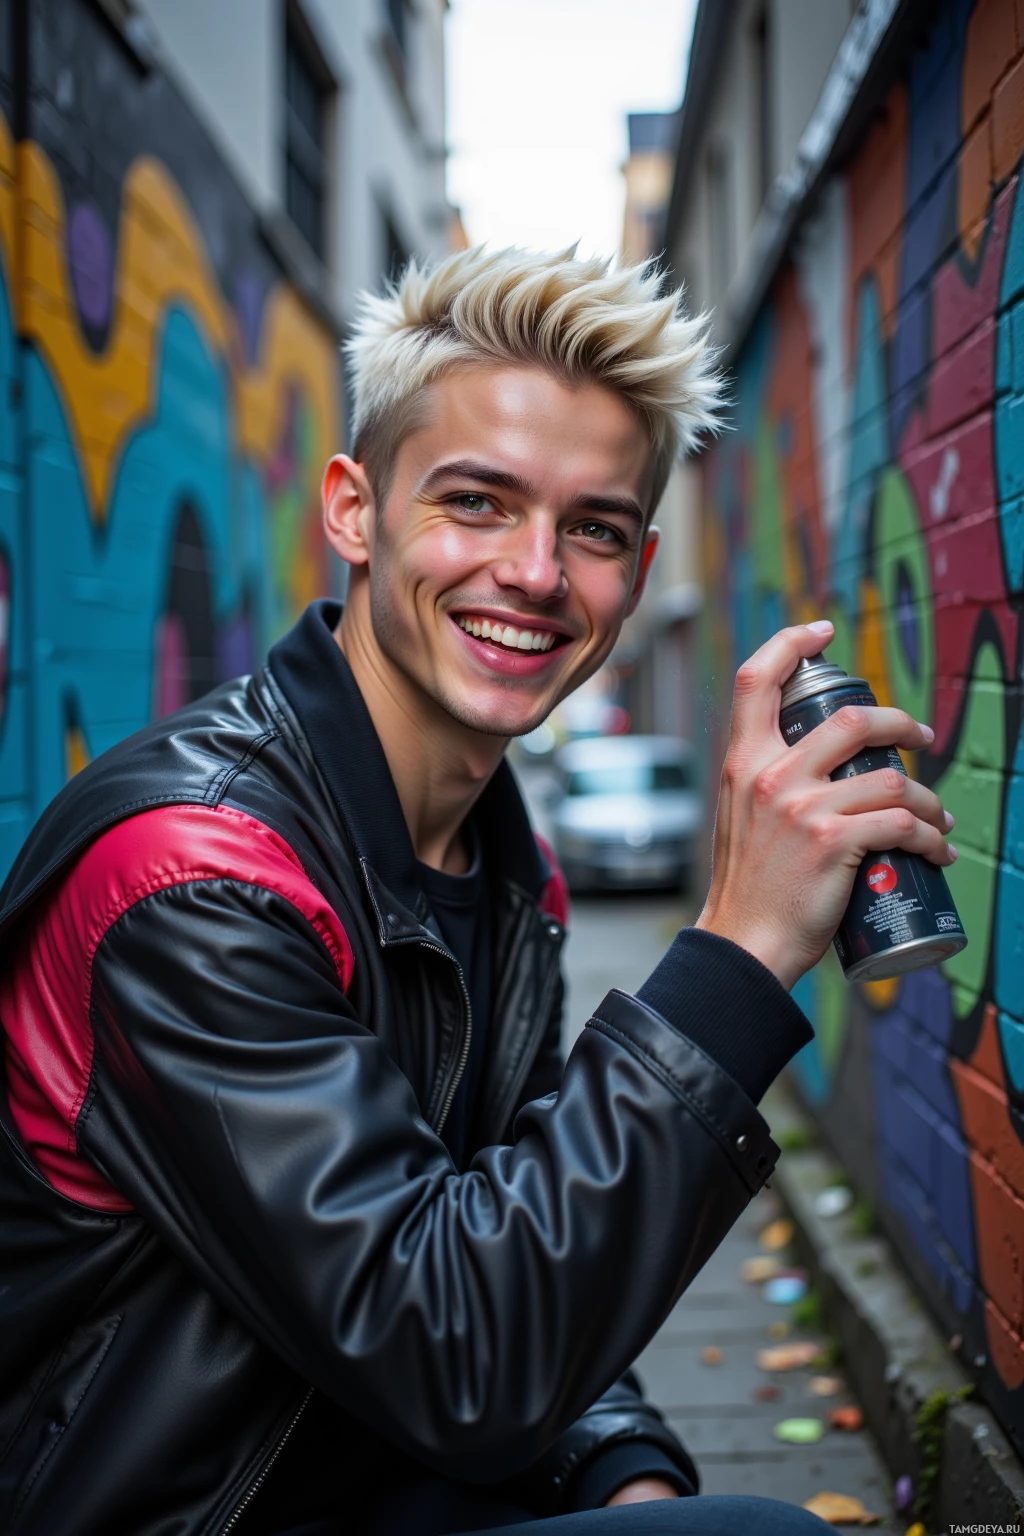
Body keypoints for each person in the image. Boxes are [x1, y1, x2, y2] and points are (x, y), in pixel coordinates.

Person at [0, 248, 955, 1536]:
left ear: (638, 567)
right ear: (353, 508)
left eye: (595, 529)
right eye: (478, 501)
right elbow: (457, 1344)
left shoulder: (496, 861)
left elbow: (507, 1217)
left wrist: (624, 1460)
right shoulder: (193, 878)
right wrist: (736, 950)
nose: (538, 573)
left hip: (359, 1466)